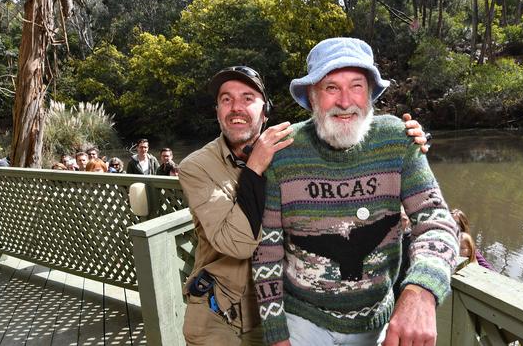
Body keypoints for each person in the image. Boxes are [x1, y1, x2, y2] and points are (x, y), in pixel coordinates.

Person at [177, 65, 430, 346]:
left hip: (279, 310)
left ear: (265, 111)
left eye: (248, 98)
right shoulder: (196, 167)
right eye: (226, 99)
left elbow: (341, 150)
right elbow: (237, 244)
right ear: (217, 110)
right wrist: (255, 168)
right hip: (220, 316)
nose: (236, 107)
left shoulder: (286, 152)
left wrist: (403, 141)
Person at [251, 38, 459, 346]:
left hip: (376, 323)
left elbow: (437, 221)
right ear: (312, 96)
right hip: (302, 321)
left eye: (357, 86)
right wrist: (276, 335)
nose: (345, 101)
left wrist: (422, 290)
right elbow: (266, 252)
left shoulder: (398, 142)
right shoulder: (283, 152)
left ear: (371, 94)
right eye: (331, 88)